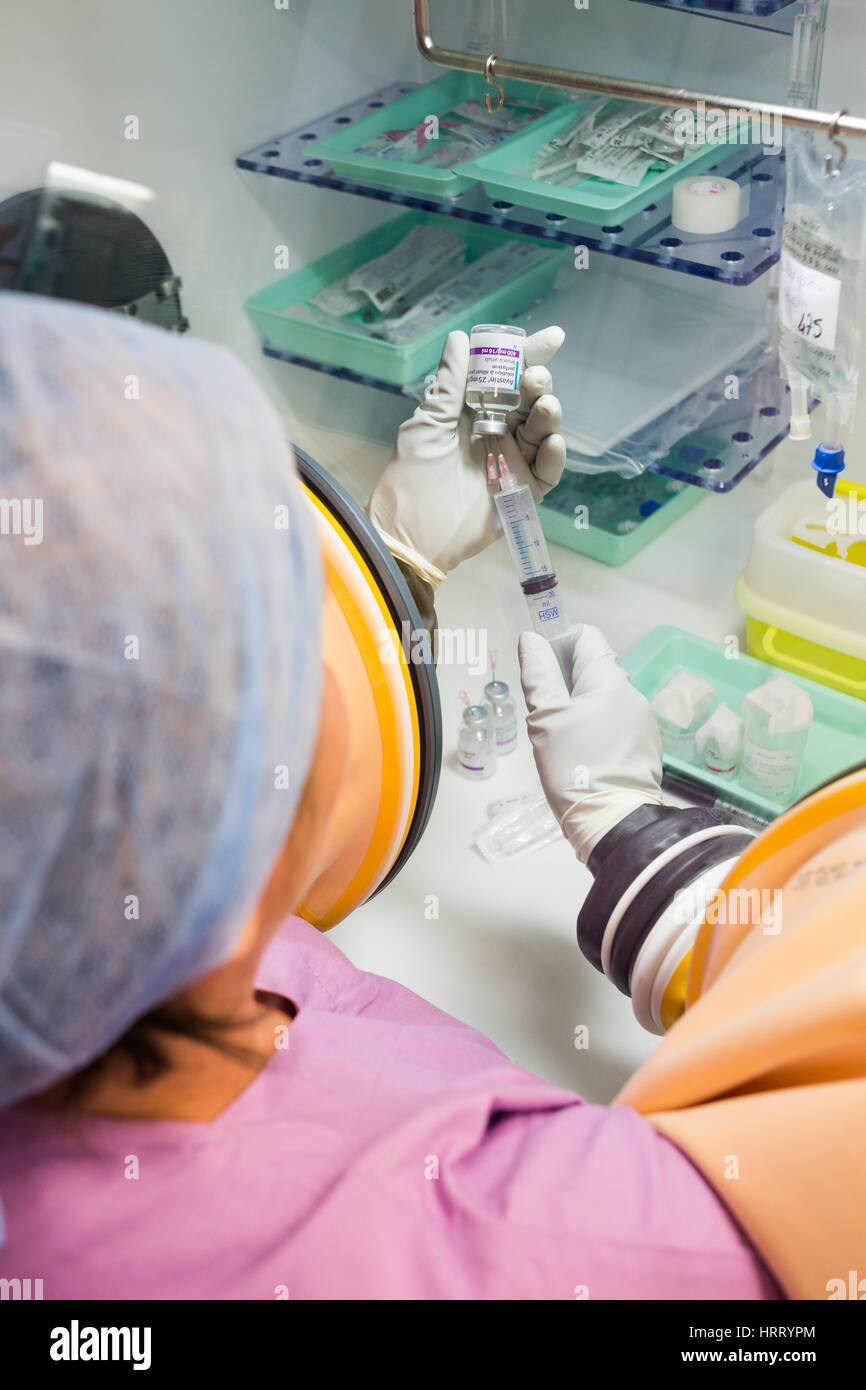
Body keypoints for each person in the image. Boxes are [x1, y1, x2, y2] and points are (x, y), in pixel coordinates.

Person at [0, 291, 862, 1302]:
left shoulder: (84, 931)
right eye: (283, 621)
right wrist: (653, 851)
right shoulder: (555, 1251)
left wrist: (397, 567)